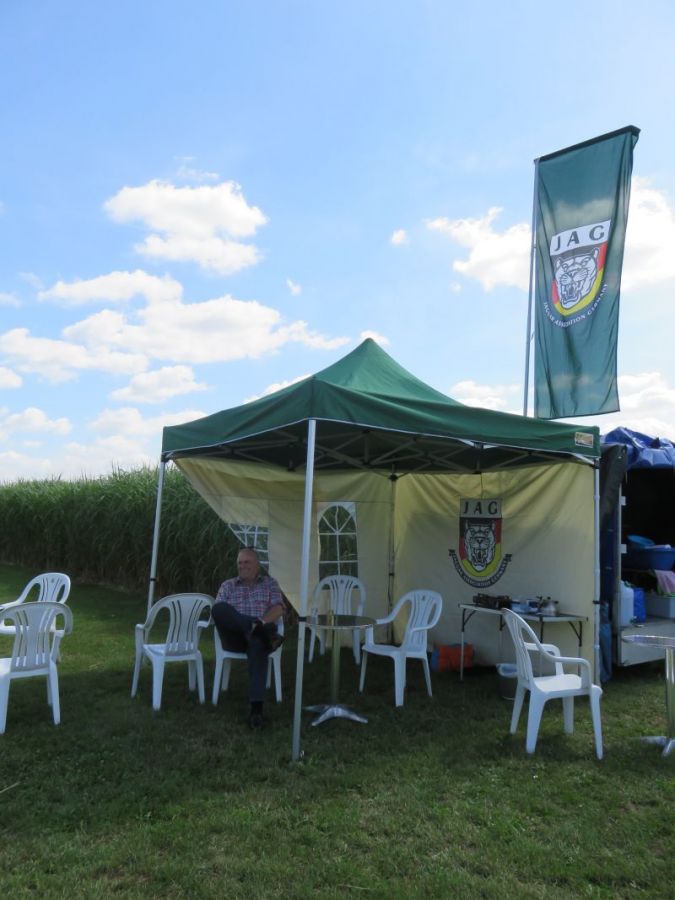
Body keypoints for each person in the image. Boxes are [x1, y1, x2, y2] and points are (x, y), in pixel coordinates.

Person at [211, 547, 285, 730]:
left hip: (257, 639)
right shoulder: (228, 585)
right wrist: (255, 625)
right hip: (234, 638)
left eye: (247, 562)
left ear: (257, 565)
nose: (242, 566)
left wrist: (262, 622)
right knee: (218, 608)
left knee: (258, 645)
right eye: (240, 563)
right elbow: (219, 614)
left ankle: (256, 711)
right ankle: (256, 628)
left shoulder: (270, 583)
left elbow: (279, 608)